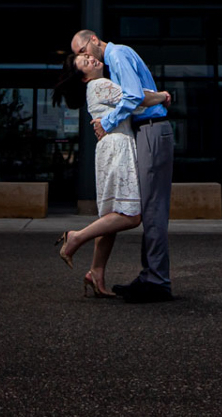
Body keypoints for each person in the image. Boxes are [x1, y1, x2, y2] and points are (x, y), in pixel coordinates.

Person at [70, 27, 175, 302]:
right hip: (144, 130)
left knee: (150, 210)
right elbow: (135, 96)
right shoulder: (107, 70)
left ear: (93, 41)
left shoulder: (116, 54)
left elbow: (133, 97)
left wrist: (106, 122)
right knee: (141, 209)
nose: (86, 58)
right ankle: (149, 277)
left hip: (151, 128)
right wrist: (160, 95)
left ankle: (156, 281)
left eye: (82, 52)